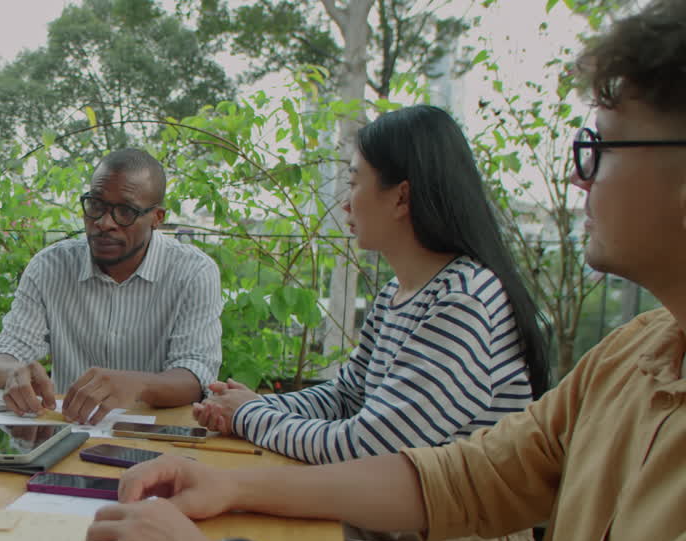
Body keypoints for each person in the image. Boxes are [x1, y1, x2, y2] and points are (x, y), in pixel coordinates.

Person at [73, 2, 686, 541]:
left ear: (401, 196)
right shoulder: (631, 354)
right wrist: (228, 485)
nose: (580, 180)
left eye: (599, 149)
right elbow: (461, 475)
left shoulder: (465, 296)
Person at [194, 106, 549, 467]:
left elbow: (370, 447)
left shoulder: (464, 301)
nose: (346, 203)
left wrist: (249, 415)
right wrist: (254, 404)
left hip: (452, 523)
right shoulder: (399, 294)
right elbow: (346, 399)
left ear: (401, 197)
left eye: (353, 183)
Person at [0, 149, 222, 424]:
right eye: (96, 206)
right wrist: (15, 372)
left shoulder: (193, 272)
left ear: (157, 217)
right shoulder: (50, 267)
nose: (104, 223)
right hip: (68, 433)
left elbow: (195, 374)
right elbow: (1, 359)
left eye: (125, 211)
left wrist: (137, 386)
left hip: (156, 438)